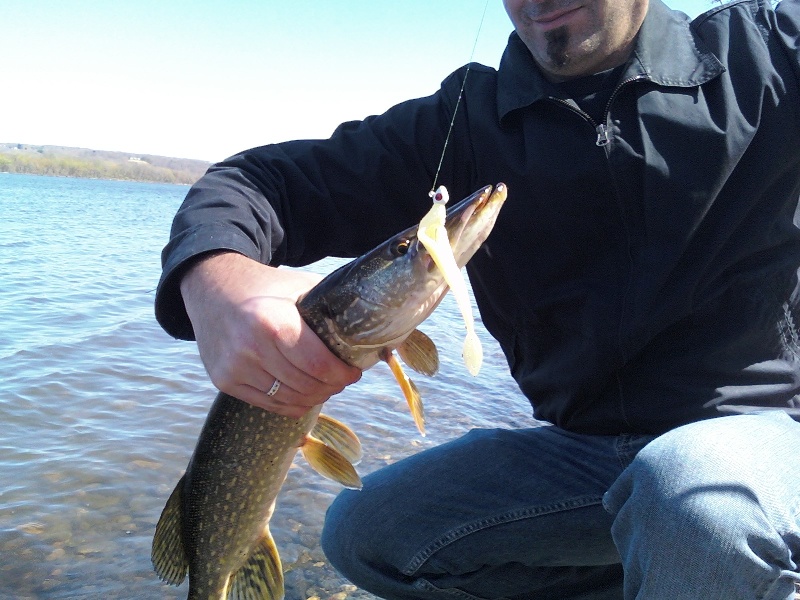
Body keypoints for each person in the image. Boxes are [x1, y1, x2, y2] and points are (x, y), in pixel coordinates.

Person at [155, 0, 800, 597]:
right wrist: (217, 284)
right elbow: (258, 182)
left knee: (693, 502)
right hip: (586, 458)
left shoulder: (767, 54)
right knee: (366, 533)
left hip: (766, 441)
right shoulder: (465, 122)